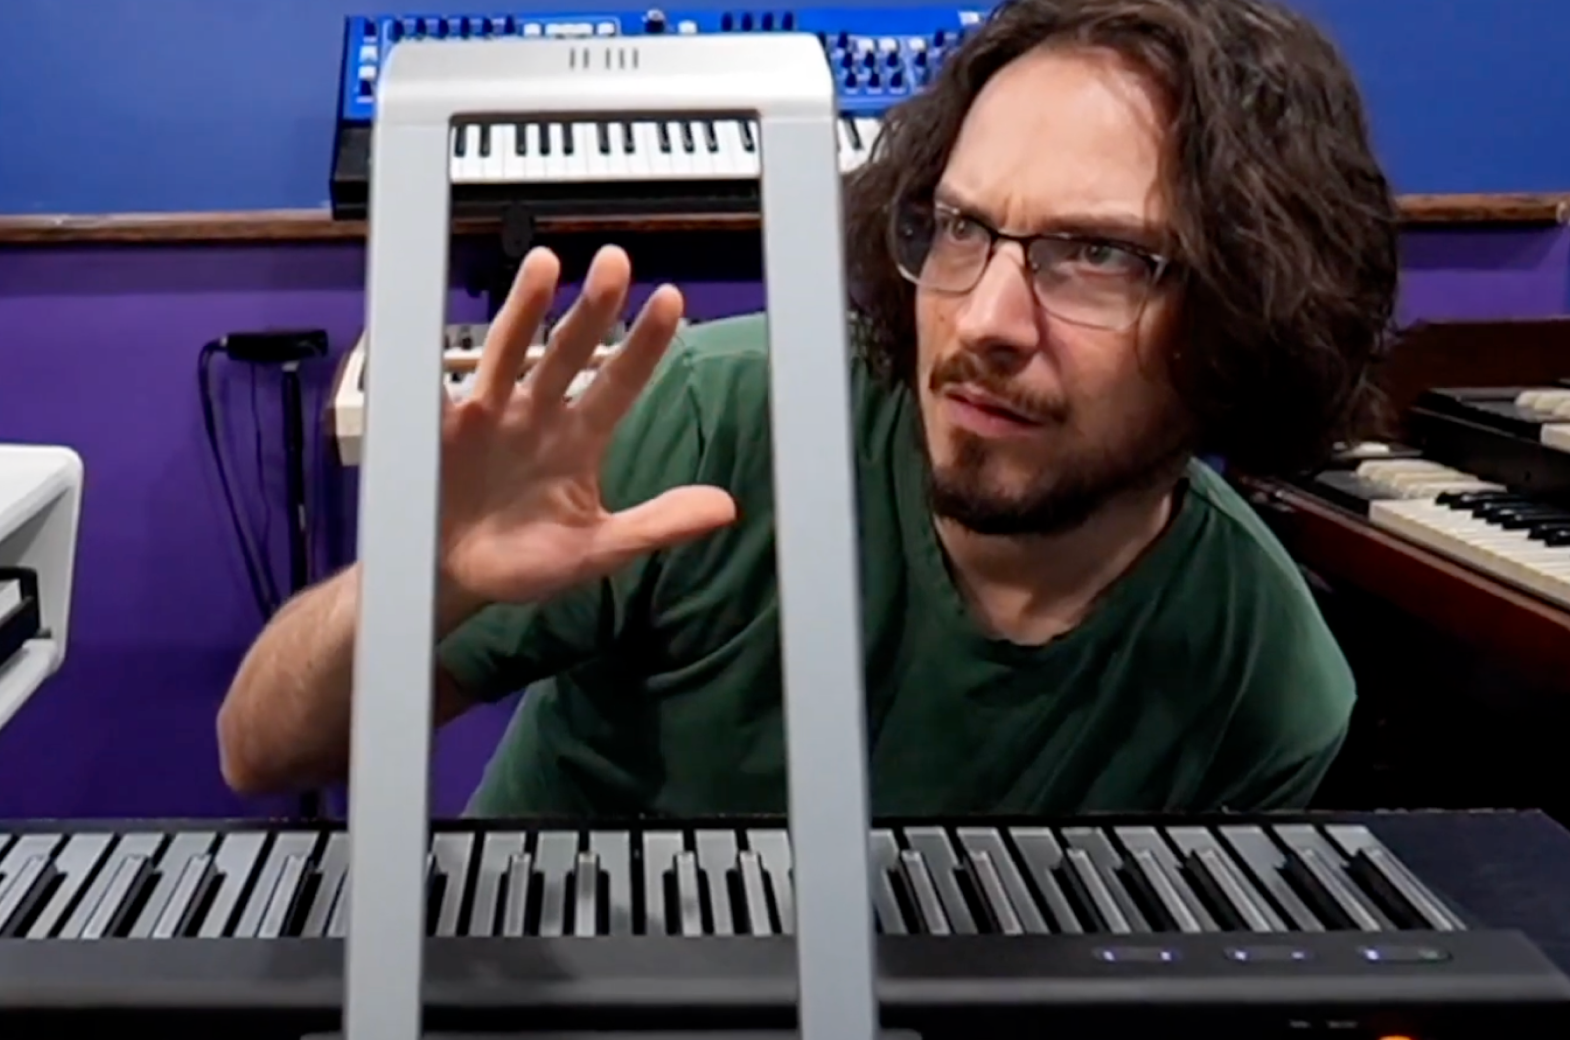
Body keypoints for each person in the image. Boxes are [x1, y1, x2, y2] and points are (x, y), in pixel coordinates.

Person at [218, 0, 1400, 817]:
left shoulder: (1265, 672)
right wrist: (429, 576)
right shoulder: (716, 420)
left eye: (1094, 253)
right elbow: (265, 749)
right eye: (958, 228)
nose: (983, 318)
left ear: (1248, 308)